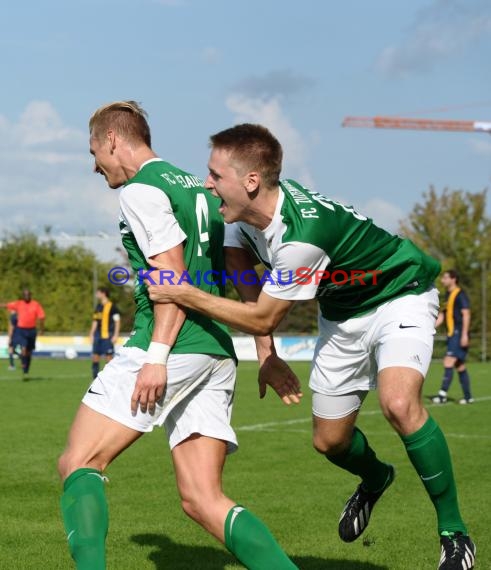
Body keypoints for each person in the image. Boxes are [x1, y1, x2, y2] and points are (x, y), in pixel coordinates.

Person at [147, 123, 476, 570]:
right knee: (329, 442)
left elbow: (264, 315)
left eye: (215, 175)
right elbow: (245, 280)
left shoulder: (302, 238)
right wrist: (267, 356)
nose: (207, 183)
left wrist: (183, 292)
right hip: (341, 317)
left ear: (251, 182)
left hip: (401, 293)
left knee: (399, 403)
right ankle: (376, 477)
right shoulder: (239, 220)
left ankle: (454, 534)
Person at [57, 102, 298, 570]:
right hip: (216, 350)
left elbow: (170, 274)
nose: (94, 165)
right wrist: (265, 350)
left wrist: (158, 355)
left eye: (93, 151)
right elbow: (239, 270)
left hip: (171, 344)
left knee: (78, 462)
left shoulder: (140, 190)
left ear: (111, 140)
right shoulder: (203, 189)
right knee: (202, 500)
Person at [432, 270, 474, 405]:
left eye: (445, 278)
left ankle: (442, 395)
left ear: (453, 279)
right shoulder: (447, 295)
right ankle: (468, 397)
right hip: (452, 334)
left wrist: (464, 335)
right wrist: (430, 327)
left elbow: (466, 314)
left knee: (448, 361)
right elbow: (442, 316)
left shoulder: (460, 294)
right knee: (459, 365)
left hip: (459, 333)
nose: (442, 280)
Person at [2, 289, 45, 380]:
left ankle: (26, 368)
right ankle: (24, 364)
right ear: (23, 296)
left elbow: (41, 317)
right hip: (21, 330)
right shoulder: (19, 303)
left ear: (30, 295)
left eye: (28, 294)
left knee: (29, 351)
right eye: (25, 295)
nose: (26, 296)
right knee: (24, 349)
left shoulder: (35, 305)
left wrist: (41, 329)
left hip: (32, 331)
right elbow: (7, 305)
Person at [89, 287, 121, 379]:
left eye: (98, 292)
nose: (96, 294)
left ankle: (110, 378)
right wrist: (91, 333)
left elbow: (117, 321)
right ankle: (94, 379)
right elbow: (95, 321)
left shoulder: (112, 306)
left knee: (109, 358)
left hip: (108, 335)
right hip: (98, 335)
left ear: (103, 293)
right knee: (95, 357)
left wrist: (116, 335)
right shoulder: (98, 307)